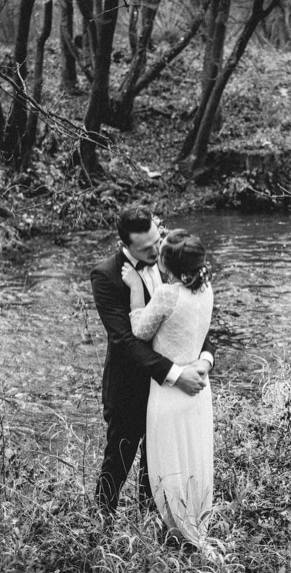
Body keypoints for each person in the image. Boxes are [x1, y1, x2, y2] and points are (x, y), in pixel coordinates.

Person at [89, 206, 214, 516]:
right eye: (147, 249)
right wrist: (175, 374)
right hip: (129, 391)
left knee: (158, 468)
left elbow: (194, 319)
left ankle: (152, 530)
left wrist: (205, 360)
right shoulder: (105, 276)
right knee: (117, 466)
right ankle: (99, 530)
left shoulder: (172, 259)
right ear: (126, 245)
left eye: (158, 241)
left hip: (168, 398)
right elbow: (125, 341)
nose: (156, 250)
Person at [121, 228, 215, 546]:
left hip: (170, 391)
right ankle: (195, 524)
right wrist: (205, 361)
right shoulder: (207, 290)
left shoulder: (165, 294)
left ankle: (176, 532)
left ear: (168, 265)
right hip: (199, 389)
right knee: (194, 456)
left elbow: (138, 331)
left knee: (168, 462)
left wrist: (136, 287)